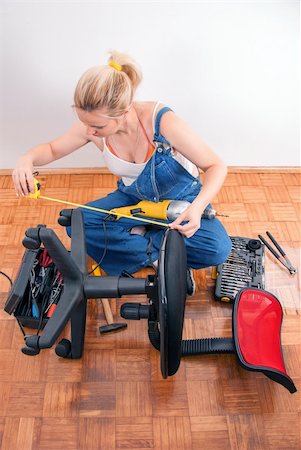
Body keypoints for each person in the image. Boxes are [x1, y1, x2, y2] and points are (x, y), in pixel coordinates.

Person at [12, 50, 232, 293]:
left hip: (181, 200)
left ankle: (141, 242)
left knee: (218, 248)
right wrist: (27, 159)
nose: (90, 131)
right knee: (78, 225)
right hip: (134, 198)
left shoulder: (162, 121)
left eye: (97, 126)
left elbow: (215, 166)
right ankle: (162, 258)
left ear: (125, 111)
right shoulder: (91, 127)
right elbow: (52, 149)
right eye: (86, 122)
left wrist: (198, 208)